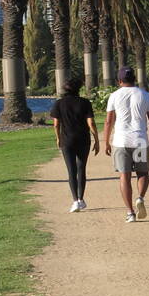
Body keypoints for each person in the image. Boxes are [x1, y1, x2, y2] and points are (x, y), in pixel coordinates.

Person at [104, 66, 149, 223]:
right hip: (140, 140)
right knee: (143, 173)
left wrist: (106, 142)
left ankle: (130, 212)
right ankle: (140, 198)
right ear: (134, 79)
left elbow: (109, 121)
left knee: (124, 176)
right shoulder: (145, 95)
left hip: (121, 142)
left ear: (119, 80)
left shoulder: (114, 96)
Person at [50, 76, 98, 212]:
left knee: (71, 171)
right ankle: (81, 199)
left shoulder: (59, 104)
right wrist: (97, 140)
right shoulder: (85, 102)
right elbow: (91, 123)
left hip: (67, 140)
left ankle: (75, 201)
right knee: (81, 169)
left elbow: (56, 124)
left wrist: (58, 138)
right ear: (78, 89)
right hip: (83, 140)